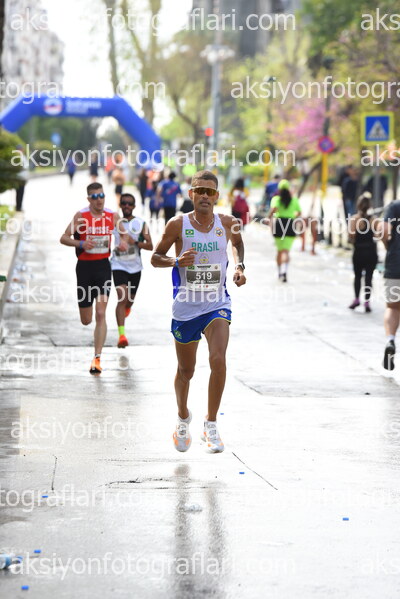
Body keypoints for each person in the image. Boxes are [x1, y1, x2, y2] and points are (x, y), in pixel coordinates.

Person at [151, 169, 246, 453]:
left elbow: (238, 245)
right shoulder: (177, 224)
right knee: (186, 370)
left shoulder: (228, 223)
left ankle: (211, 424)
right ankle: (183, 417)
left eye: (210, 191)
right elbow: (155, 257)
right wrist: (175, 261)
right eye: (200, 191)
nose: (205, 196)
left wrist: (240, 266)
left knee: (218, 359)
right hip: (186, 307)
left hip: (217, 304)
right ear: (191, 193)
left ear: (217, 196)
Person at [60, 182, 128, 374]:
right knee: (86, 319)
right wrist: (81, 243)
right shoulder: (81, 216)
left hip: (103, 267)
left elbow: (124, 234)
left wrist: (123, 242)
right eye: (95, 197)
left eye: (102, 196)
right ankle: (95, 349)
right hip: (84, 269)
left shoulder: (112, 215)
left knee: (100, 313)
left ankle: (97, 358)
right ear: (89, 199)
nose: (99, 200)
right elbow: (64, 237)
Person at [111, 193, 153, 348]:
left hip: (135, 267)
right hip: (118, 265)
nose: (127, 206)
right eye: (124, 203)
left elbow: (150, 245)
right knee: (121, 298)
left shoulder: (140, 223)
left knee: (129, 300)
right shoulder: (115, 223)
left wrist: (134, 242)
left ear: (134, 206)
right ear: (120, 205)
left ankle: (127, 307)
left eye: (129, 203)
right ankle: (121, 335)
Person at [348, 193, 378, 312]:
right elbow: (377, 235)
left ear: (358, 205)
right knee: (369, 278)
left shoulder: (354, 219)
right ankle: (367, 302)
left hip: (359, 252)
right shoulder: (374, 220)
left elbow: (351, 236)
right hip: (371, 252)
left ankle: (356, 299)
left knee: (357, 276)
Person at [266, 179, 301, 283]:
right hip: (290, 224)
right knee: (286, 251)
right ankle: (284, 271)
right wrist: (292, 216)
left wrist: (269, 218)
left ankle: (279, 272)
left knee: (279, 251)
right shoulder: (294, 200)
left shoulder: (276, 199)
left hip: (279, 224)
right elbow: (299, 212)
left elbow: (273, 210)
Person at [381, 199, 400, 370]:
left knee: (393, 307)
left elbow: (384, 231)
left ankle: (390, 340)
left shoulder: (395, 207)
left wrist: (389, 247)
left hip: (395, 265)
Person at [15, 144, 29, 211]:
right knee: (19, 193)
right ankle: (18, 207)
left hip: (23, 178)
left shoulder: (23, 156)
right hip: (19, 178)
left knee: (21, 193)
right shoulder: (17, 157)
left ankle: (19, 206)